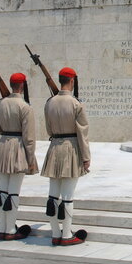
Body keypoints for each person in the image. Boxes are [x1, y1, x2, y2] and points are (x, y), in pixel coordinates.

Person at [40, 67, 90, 246]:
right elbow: (82, 133)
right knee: (67, 196)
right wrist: (86, 157)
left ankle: (55, 233)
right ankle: (67, 235)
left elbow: (48, 129)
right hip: (71, 149)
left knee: (53, 195)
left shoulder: (49, 102)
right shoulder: (76, 104)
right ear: (72, 81)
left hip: (54, 149)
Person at [0, 73, 38, 241]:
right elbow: (29, 137)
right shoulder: (25, 107)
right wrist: (30, 159)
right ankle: (10, 229)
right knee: (14, 192)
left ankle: (2, 228)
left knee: (3, 189)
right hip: (18, 147)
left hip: (3, 146)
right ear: (23, 86)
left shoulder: (0, 104)